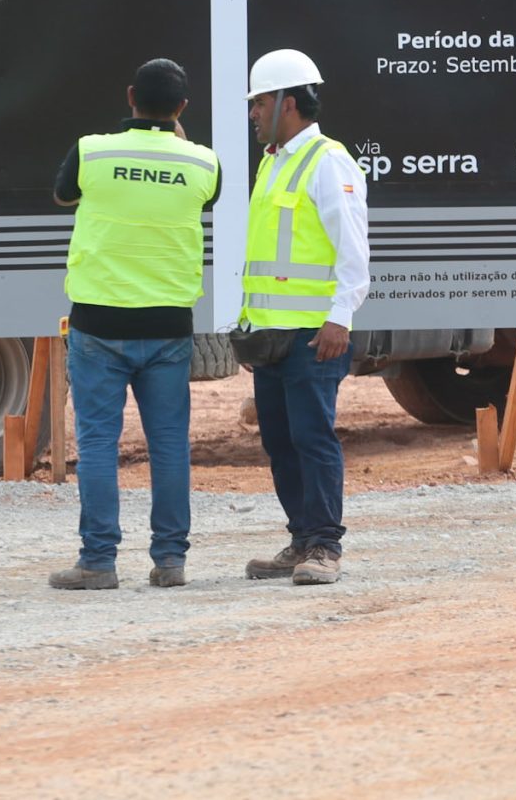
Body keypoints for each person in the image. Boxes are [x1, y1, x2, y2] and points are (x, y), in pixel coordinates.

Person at [47, 57, 220, 592]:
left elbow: (62, 196)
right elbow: (205, 196)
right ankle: (170, 561)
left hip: (98, 324)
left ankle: (98, 562)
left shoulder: (92, 150)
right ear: (183, 108)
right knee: (168, 445)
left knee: (99, 445)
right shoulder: (203, 162)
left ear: (129, 97)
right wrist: (176, 141)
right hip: (168, 327)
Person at [238, 47, 370, 587]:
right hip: (271, 334)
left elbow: (353, 248)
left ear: (288, 103)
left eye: (260, 102)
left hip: (315, 336)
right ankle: (300, 539)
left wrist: (340, 317)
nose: (252, 113)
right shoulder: (273, 161)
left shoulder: (327, 161)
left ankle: (324, 546)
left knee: (313, 437)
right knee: (280, 439)